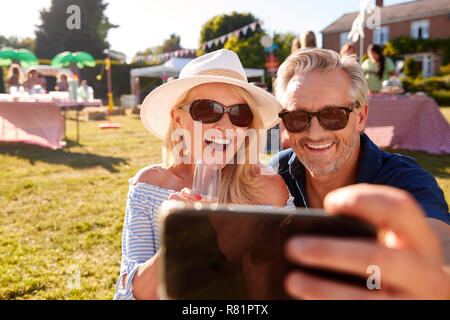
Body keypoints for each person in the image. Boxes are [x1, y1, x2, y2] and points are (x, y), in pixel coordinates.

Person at [270, 48, 450, 299]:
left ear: (361, 117)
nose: (314, 133)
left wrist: (438, 279)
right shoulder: (277, 174)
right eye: (298, 117)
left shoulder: (403, 181)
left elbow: (438, 242)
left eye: (333, 115)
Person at [114, 49, 294, 300]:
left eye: (239, 114)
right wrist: (177, 242)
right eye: (207, 110)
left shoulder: (269, 192)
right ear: (177, 119)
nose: (225, 126)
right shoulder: (148, 187)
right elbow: (126, 297)